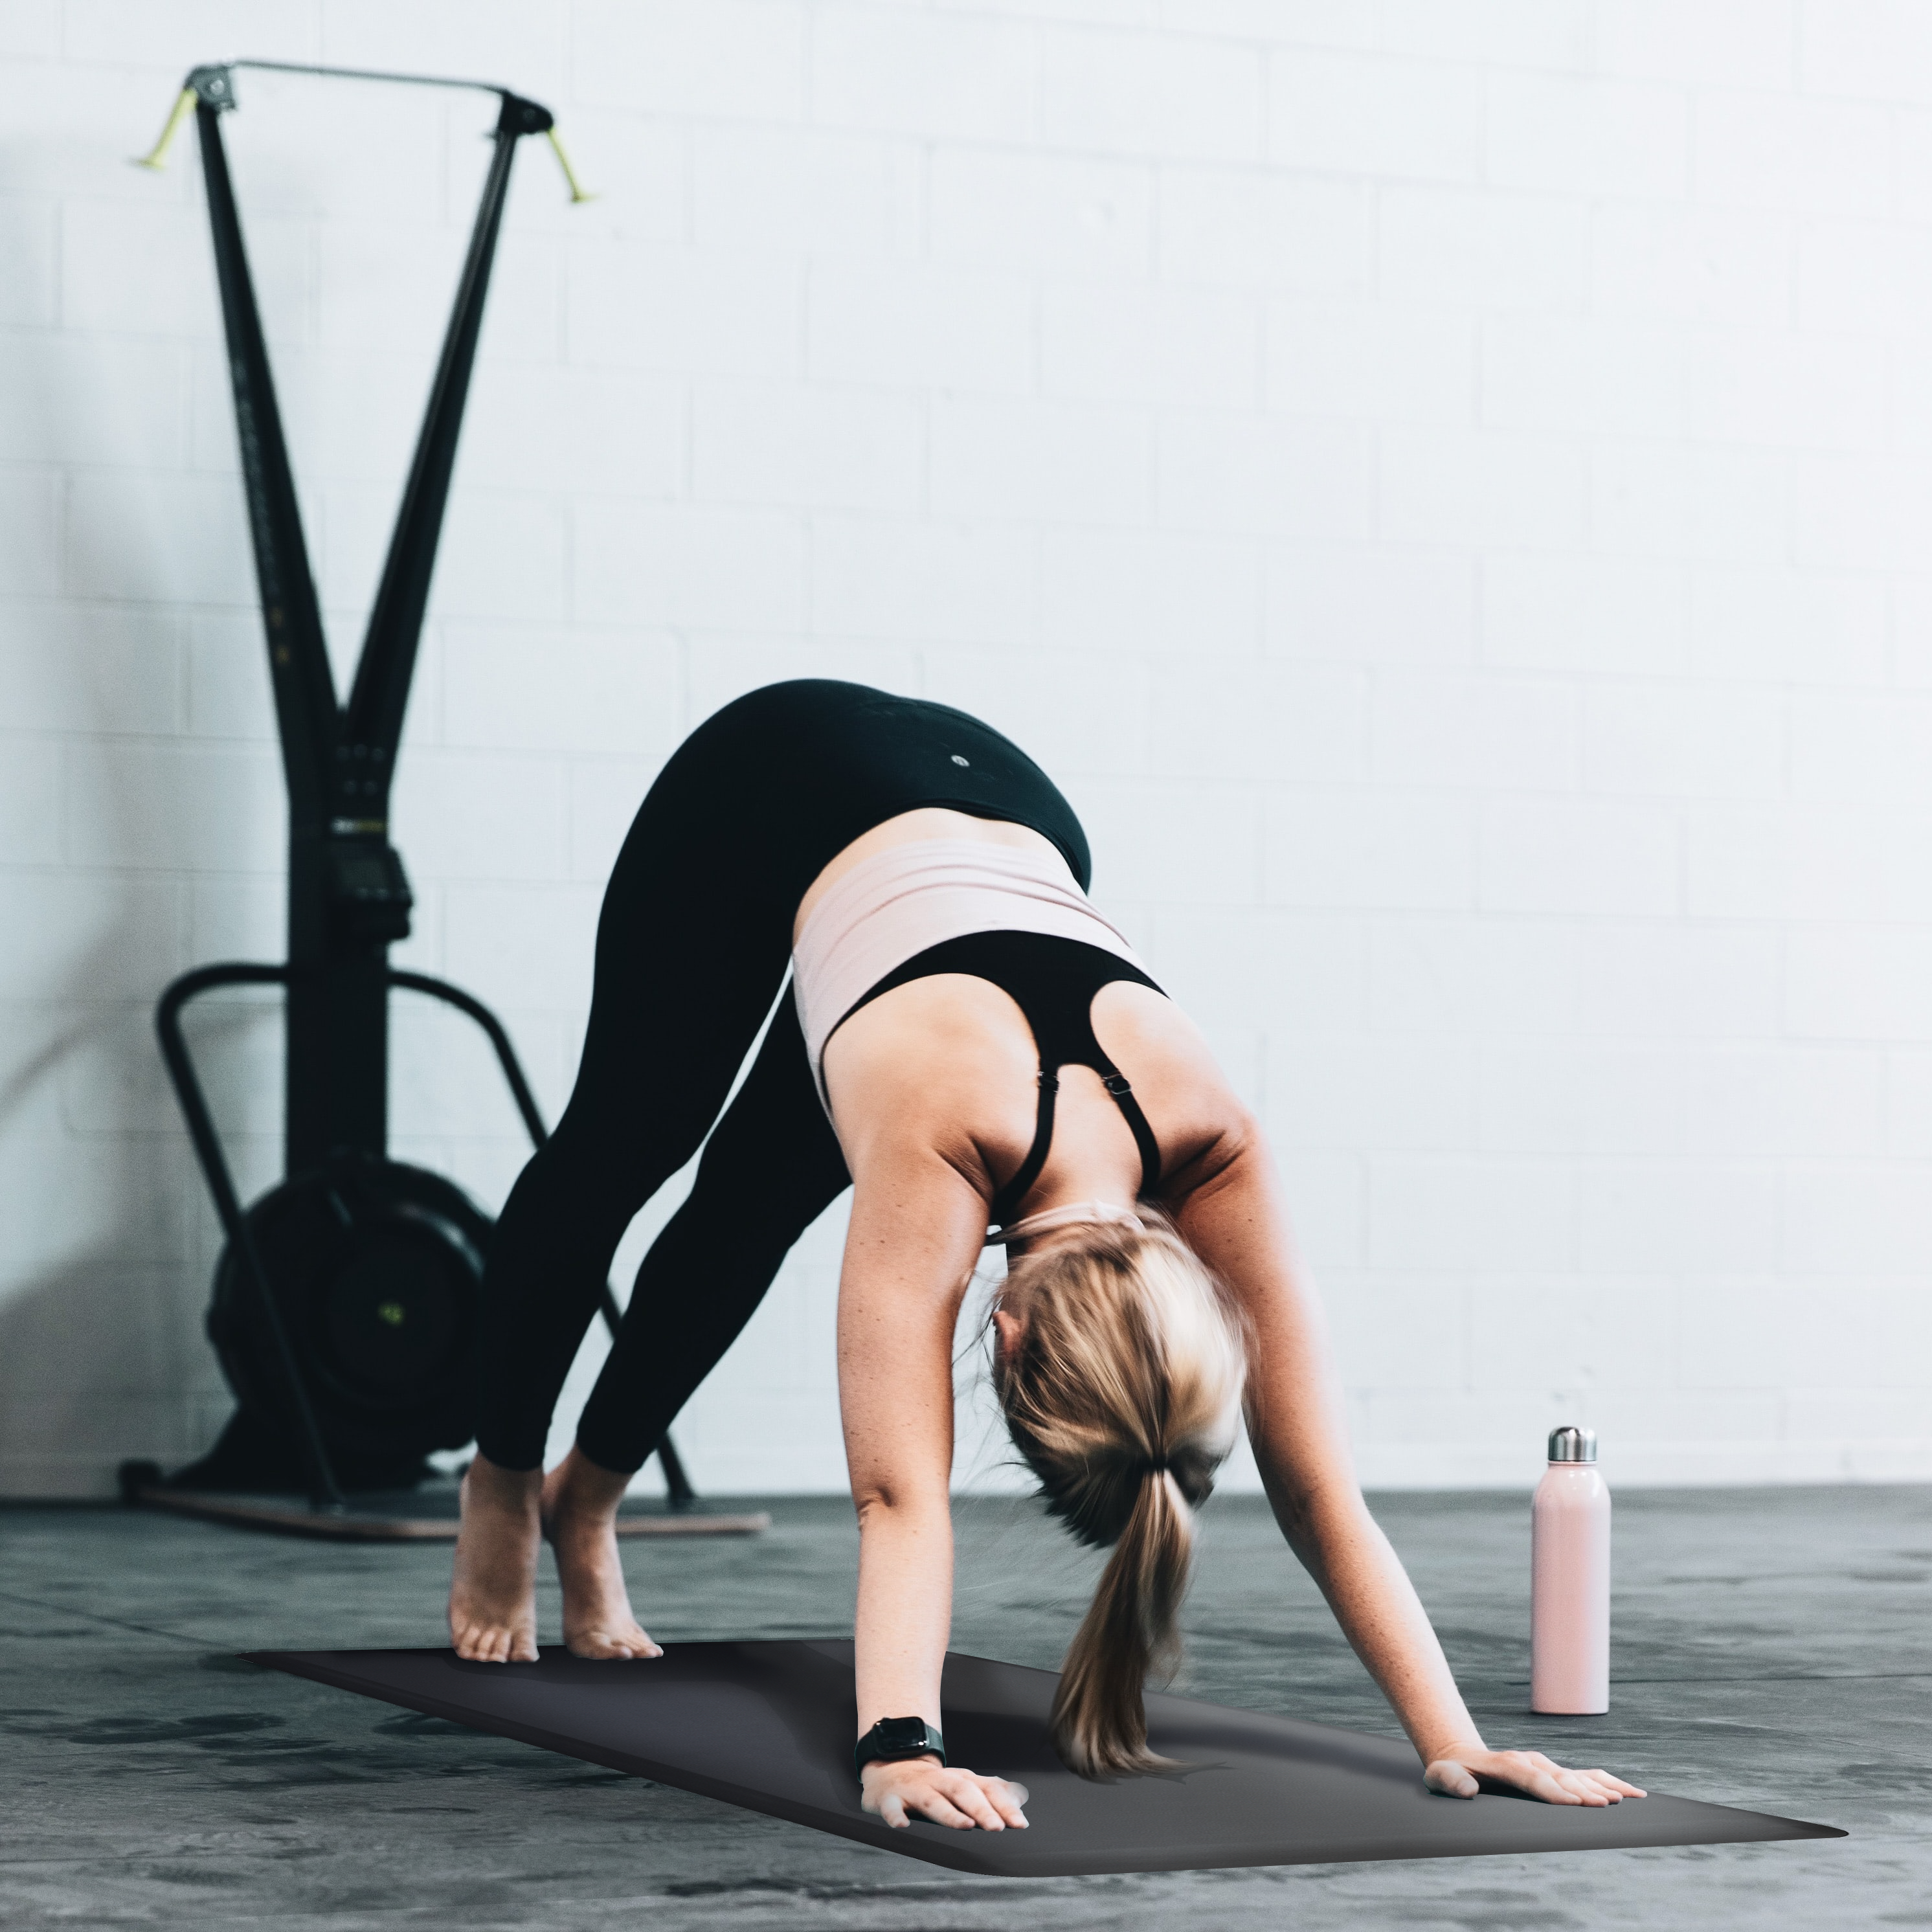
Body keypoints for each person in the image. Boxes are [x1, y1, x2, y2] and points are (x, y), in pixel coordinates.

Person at [449, 679, 1643, 1833]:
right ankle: (503, 1483)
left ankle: (587, 1503)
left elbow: (1318, 1487)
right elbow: (898, 1497)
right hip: (774, 780)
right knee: (629, 1142)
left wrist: (1455, 1736)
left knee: (747, 1214)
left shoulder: (1212, 1141)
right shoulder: (957, 1137)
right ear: (1006, 1336)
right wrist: (898, 1749)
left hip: (1009, 816)